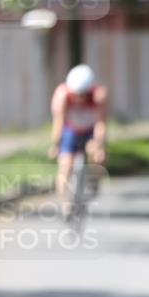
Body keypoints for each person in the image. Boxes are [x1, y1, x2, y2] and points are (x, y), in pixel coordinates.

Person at [49, 64, 108, 211]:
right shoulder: (62, 95)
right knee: (65, 166)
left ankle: (94, 180)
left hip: (90, 130)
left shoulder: (99, 96)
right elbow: (59, 122)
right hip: (71, 130)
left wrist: (100, 146)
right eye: (76, 94)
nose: (78, 98)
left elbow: (101, 124)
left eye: (82, 94)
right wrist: (55, 145)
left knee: (97, 155)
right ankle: (65, 204)